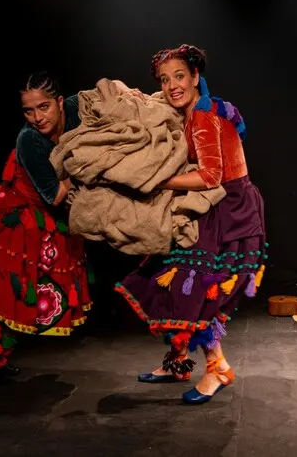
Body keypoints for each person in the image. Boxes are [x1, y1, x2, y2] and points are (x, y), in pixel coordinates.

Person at [115, 44, 268, 405]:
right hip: (219, 206)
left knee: (195, 293)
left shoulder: (203, 117)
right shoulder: (201, 106)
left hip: (228, 211)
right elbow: (156, 103)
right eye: (165, 80)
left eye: (179, 77)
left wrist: (155, 180)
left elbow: (211, 175)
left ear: (196, 76)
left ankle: (217, 368)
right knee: (172, 280)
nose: (171, 86)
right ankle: (178, 360)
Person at [0, 71, 92, 400]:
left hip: (48, 225)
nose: (38, 117)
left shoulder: (74, 108)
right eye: (28, 110)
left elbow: (104, 95)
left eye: (43, 107)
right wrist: (85, 167)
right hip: (15, 222)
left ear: (58, 102)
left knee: (23, 302)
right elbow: (53, 195)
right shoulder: (29, 139)